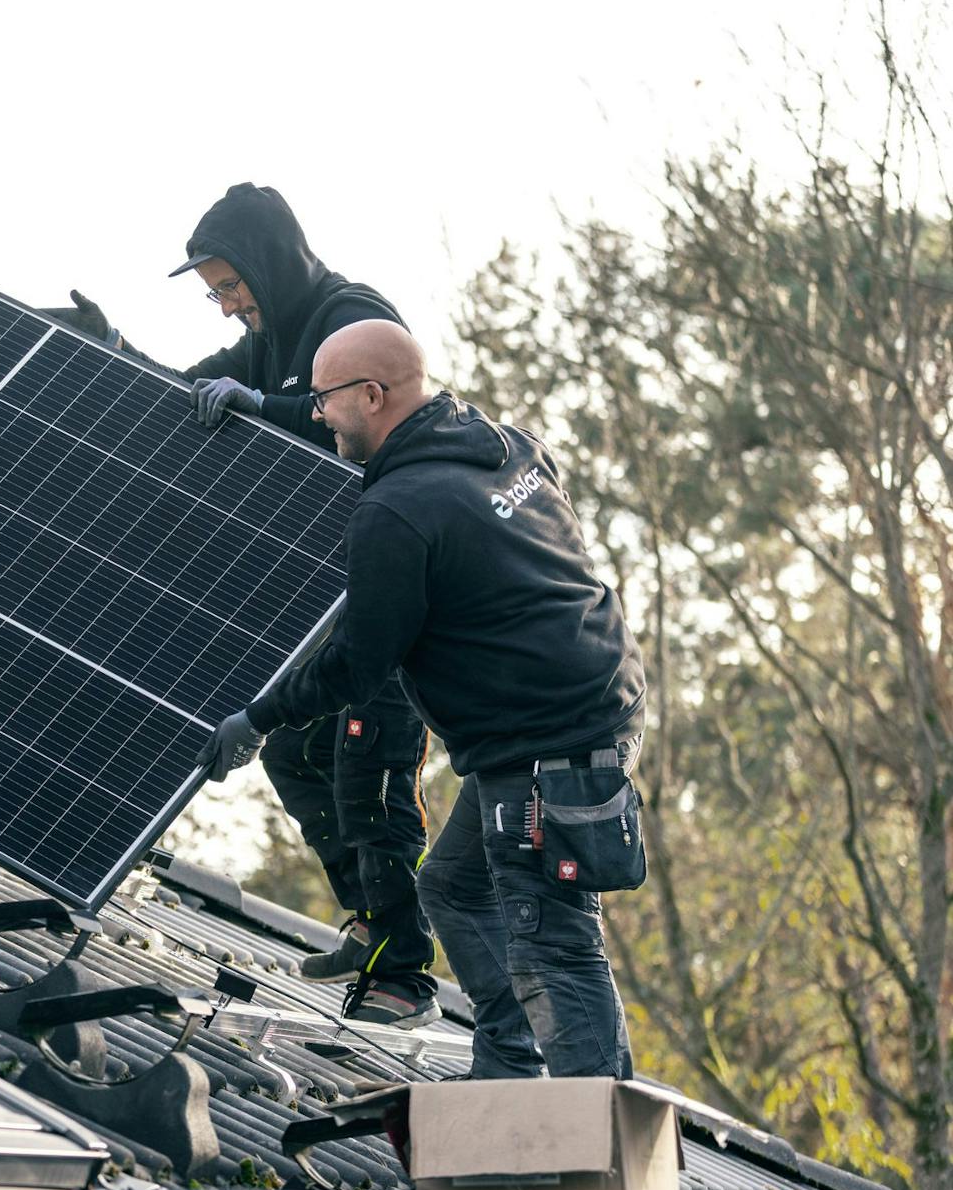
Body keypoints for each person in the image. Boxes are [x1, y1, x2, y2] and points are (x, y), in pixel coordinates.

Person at [196, 319, 648, 1077]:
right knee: (454, 887)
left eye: (324, 400)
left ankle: (600, 1131)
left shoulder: (397, 511)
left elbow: (357, 663)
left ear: (373, 397)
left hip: (547, 745)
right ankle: (507, 1072)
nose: (317, 414)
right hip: (595, 701)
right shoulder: (508, 447)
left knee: (553, 942)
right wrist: (261, 404)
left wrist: (258, 719)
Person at [45, 184, 440, 1028]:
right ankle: (371, 922)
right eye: (215, 295)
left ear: (269, 262)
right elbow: (187, 395)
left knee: (368, 772)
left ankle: (407, 976)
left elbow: (369, 415)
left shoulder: (351, 316)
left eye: (231, 286)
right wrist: (112, 348)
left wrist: (268, 406)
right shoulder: (264, 341)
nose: (227, 306)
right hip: (318, 603)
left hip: (384, 594)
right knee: (292, 752)